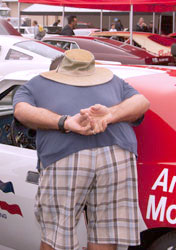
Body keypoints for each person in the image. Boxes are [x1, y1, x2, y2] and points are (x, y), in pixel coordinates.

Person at [13, 49, 150, 250]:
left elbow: (21, 111)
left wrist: (65, 122)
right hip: (118, 154)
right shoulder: (113, 81)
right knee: (105, 235)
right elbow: (142, 102)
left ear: (57, 70)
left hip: (65, 154)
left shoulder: (37, 83)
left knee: (56, 234)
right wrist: (109, 115)